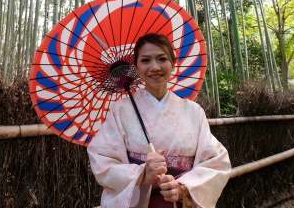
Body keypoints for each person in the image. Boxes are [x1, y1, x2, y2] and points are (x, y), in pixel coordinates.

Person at [87, 33, 231, 208]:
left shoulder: (194, 111)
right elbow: (102, 160)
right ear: (136, 66)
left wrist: (184, 187)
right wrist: (142, 174)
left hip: (179, 201)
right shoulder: (121, 110)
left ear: (173, 62)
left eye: (162, 59)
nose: (154, 67)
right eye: (145, 60)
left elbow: (216, 162)